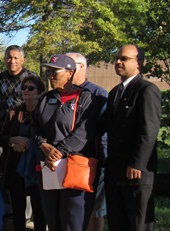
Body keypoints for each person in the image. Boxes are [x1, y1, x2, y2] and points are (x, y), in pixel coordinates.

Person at [33, 54, 98, 231]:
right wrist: (43, 145)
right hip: (49, 167)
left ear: (70, 73)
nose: (50, 75)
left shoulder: (85, 97)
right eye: (48, 71)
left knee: (72, 221)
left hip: (74, 166)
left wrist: (58, 152)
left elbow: (83, 132)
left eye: (55, 71)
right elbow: (35, 127)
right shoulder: (45, 99)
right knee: (53, 221)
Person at [104, 44, 161, 231]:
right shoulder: (114, 93)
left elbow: (149, 130)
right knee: (117, 222)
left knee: (137, 224)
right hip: (115, 171)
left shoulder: (146, 90)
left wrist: (138, 163)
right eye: (117, 58)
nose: (118, 62)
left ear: (139, 63)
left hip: (137, 172)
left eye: (124, 59)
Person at [66, 52, 108, 231]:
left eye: (70, 65)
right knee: (72, 209)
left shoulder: (97, 93)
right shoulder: (62, 93)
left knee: (94, 210)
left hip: (91, 160)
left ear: (81, 67)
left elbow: (104, 129)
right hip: (66, 159)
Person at [0, 76, 46, 231]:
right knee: (18, 211)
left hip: (38, 168)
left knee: (39, 211)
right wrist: (14, 140)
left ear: (40, 92)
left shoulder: (45, 112)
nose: (25, 90)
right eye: (24, 87)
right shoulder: (14, 112)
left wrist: (30, 144)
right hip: (17, 168)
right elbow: (2, 138)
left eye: (30, 88)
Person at [0, 45, 38, 130]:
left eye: (16, 58)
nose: (12, 61)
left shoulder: (32, 78)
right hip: (4, 125)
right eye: (9, 57)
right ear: (5, 60)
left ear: (23, 60)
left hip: (25, 125)